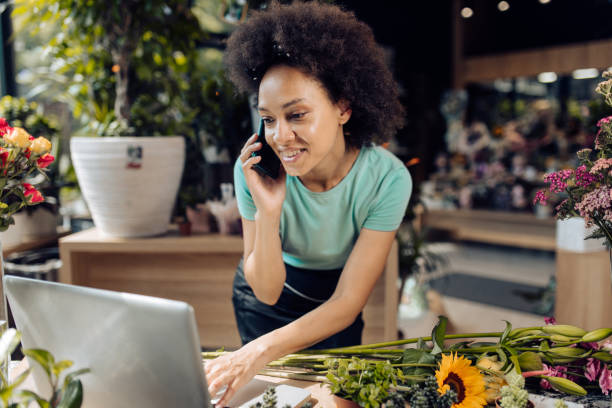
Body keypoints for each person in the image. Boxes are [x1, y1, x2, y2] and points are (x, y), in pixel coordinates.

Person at [205, 2, 412, 405]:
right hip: (266, 304)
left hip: (334, 306)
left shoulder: (387, 179)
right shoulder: (255, 169)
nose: (280, 137)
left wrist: (255, 353)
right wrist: (269, 211)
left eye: (296, 115)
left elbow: (348, 303)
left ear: (343, 108)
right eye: (268, 119)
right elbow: (265, 290)